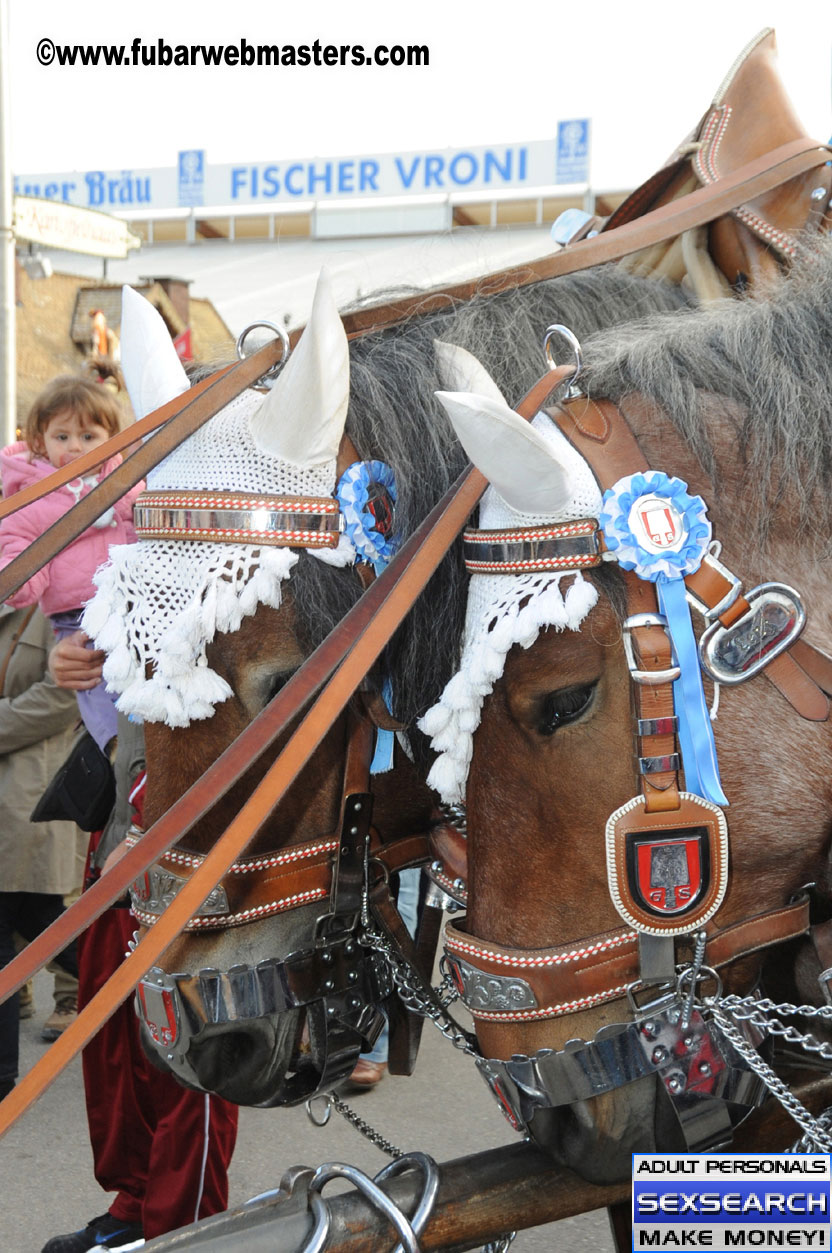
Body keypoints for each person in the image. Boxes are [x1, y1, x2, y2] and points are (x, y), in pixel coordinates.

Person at [42, 632, 239, 1253]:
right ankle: (135, 1206)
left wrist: (162, 827)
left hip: (194, 853)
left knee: (188, 1063)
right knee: (113, 1055)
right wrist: (72, 655)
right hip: (118, 851)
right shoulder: (135, 565)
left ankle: (182, 1232)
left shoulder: (235, 560)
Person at [0, 376, 144, 753]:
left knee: (143, 688)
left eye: (88, 436)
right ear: (40, 442)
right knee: (96, 690)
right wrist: (16, 579)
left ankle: (142, 751)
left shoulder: (126, 482)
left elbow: (144, 526)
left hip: (131, 606)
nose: (75, 448)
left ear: (111, 439)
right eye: (61, 438)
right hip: (75, 618)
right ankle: (119, 752)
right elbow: (19, 545)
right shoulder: (33, 497)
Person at [0, 605, 82, 1101]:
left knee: (24, 922)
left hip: (24, 794)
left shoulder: (53, 596)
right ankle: (155, 993)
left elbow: (65, 695)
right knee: (40, 921)